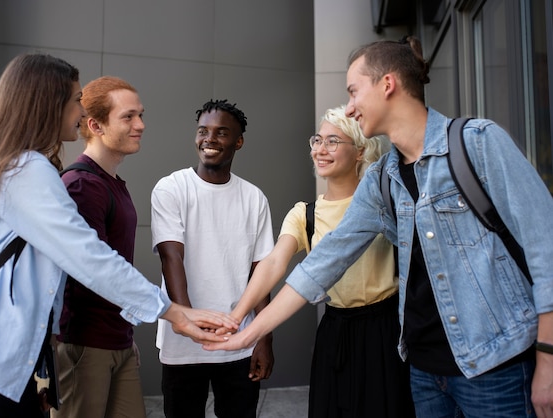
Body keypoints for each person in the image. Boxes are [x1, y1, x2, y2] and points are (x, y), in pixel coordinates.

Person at [204, 36, 553, 418]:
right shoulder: (382, 179)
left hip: (495, 366)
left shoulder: (479, 144)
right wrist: (245, 330)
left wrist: (548, 360)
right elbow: (322, 265)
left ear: (387, 84)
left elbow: (546, 250)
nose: (350, 108)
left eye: (354, 92)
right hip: (423, 371)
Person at [0, 54, 237, 418]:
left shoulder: (15, 166)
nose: (80, 108)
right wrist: (172, 312)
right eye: (75, 99)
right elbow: (87, 256)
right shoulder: (28, 171)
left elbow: (41, 289)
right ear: (48, 105)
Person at [220, 105, 414, 417]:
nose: (320, 150)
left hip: (386, 330)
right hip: (335, 331)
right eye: (317, 140)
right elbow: (272, 264)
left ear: (361, 151)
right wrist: (237, 317)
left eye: (333, 141)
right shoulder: (304, 214)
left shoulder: (385, 202)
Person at [151, 99, 275, 418]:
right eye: (203, 131)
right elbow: (171, 256)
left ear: (239, 141)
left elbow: (260, 272)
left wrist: (263, 337)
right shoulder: (171, 188)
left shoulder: (254, 198)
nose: (210, 138)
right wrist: (188, 320)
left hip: (239, 340)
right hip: (183, 344)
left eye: (222, 132)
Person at [53, 76, 149, 418]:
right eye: (128, 117)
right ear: (95, 124)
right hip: (84, 344)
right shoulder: (81, 185)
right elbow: (93, 271)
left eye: (140, 115)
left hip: (115, 340)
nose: (140, 125)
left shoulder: (111, 183)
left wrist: (124, 334)